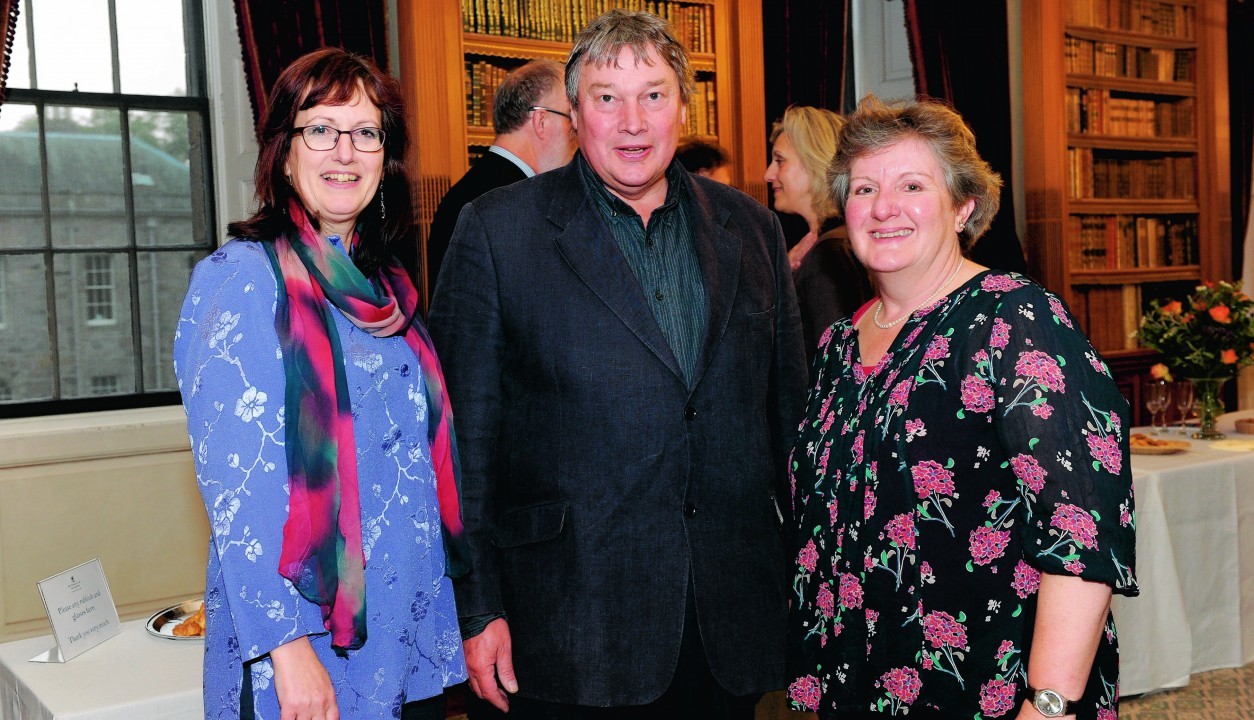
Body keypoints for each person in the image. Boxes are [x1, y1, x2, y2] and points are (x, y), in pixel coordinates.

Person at [428, 9, 807, 720]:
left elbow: (791, 424)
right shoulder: (498, 231)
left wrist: (808, 577)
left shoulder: (751, 229)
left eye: (654, 95)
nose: (632, 121)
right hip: (568, 625)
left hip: (728, 622)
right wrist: (476, 609)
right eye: (607, 98)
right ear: (574, 113)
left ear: (683, 109)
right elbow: (459, 446)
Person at [785, 95, 1137, 719]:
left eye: (912, 185)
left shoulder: (1015, 319)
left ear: (962, 206)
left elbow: (1082, 529)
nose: (884, 207)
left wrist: (1048, 704)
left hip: (990, 691)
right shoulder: (839, 345)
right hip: (857, 688)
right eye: (864, 188)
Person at [174, 48, 469, 720]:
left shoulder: (389, 289)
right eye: (321, 129)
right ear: (284, 152)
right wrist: (288, 650)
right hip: (312, 657)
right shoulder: (243, 280)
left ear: (385, 158)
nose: (346, 150)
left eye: (366, 132)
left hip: (402, 641)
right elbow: (238, 494)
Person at [427, 59, 577, 298]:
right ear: (541, 122)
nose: (578, 133)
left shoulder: (469, 189)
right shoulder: (517, 201)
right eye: (572, 120)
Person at [765, 106, 873, 359]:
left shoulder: (830, 252)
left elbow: (837, 362)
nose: (768, 174)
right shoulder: (829, 242)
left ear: (815, 161)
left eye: (779, 161)